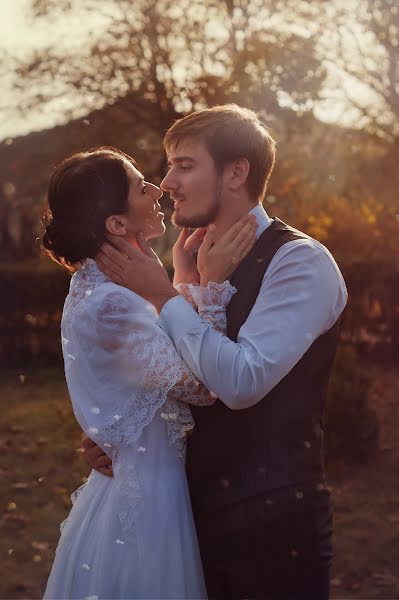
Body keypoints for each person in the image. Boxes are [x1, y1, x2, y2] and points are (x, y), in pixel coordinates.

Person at [89, 105, 348, 600]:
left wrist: (167, 297)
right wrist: (122, 434)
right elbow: (181, 382)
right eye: (169, 167)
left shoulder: (300, 261)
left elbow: (241, 382)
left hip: (270, 535)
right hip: (185, 522)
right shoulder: (190, 264)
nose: (166, 183)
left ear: (236, 173)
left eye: (185, 165)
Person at [41, 146, 257, 599]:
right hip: (146, 508)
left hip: (142, 485)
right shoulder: (111, 303)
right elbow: (203, 384)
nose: (157, 189)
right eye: (142, 187)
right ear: (117, 225)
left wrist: (175, 285)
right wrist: (209, 287)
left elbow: (152, 362)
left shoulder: (102, 287)